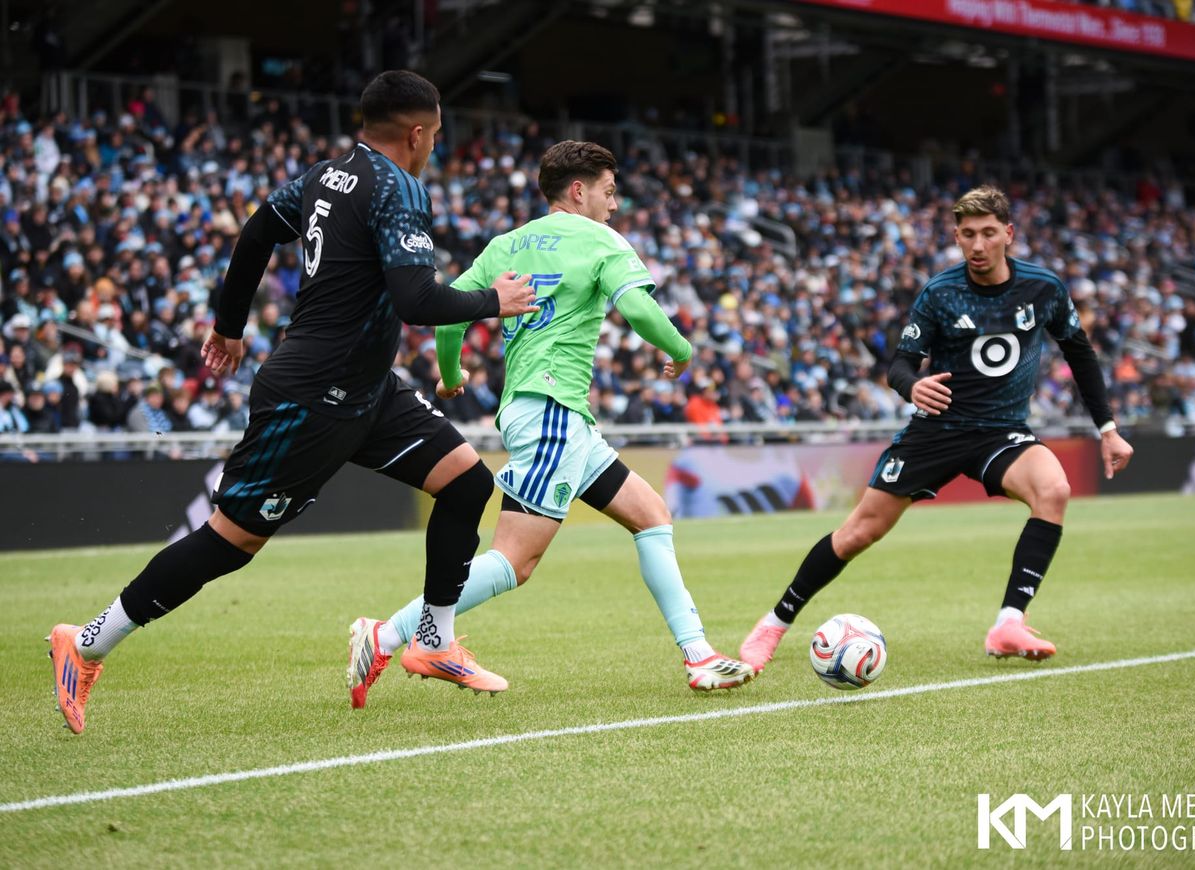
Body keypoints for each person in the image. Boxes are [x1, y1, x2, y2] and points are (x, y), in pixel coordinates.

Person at [47, 70, 539, 734]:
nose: (435, 145)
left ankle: (433, 641)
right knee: (230, 542)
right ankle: (86, 642)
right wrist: (494, 302)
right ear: (418, 133)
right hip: (311, 398)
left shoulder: (324, 176)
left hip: (366, 388)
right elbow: (416, 300)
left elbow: (255, 233)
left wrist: (228, 324)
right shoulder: (397, 186)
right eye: (437, 133)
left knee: (465, 482)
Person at [347, 141, 754, 708]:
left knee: (651, 515)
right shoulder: (601, 241)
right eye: (609, 192)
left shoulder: (505, 246)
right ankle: (386, 634)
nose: (616, 205)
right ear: (579, 190)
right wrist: (681, 352)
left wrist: (451, 374)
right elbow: (638, 310)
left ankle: (699, 653)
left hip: (550, 415)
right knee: (516, 560)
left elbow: (449, 316)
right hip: (552, 412)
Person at [738, 185, 1135, 672]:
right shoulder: (941, 293)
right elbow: (900, 365)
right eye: (968, 234)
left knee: (1053, 489)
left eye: (989, 233)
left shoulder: (1043, 289)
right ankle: (773, 625)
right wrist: (914, 387)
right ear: (956, 237)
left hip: (1001, 432)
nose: (978, 245)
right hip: (938, 431)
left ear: (1008, 234)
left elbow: (1080, 352)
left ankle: (1009, 622)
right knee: (860, 532)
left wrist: (1108, 427)